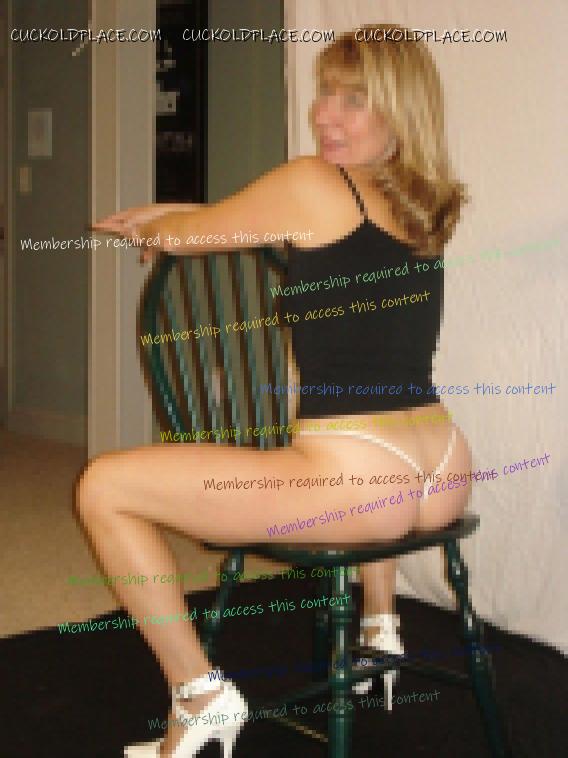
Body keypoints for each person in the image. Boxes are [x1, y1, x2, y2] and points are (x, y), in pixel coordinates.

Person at [88, 23, 472, 757]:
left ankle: (199, 697)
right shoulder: (423, 204)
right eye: (325, 93)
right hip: (442, 467)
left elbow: (194, 235)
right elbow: (228, 228)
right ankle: (379, 627)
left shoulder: (313, 184)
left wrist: (162, 224)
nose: (324, 113)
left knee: (104, 487)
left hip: (359, 480)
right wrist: (180, 221)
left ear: (400, 109)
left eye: (353, 99)